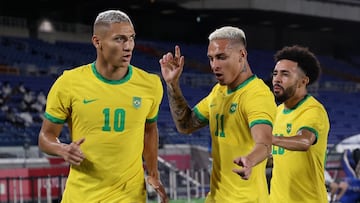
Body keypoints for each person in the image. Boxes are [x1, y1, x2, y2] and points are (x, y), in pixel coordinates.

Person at [38, 10, 168, 203]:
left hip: (129, 195)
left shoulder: (151, 85)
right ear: (97, 42)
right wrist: (62, 149)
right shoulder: (69, 83)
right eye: (119, 39)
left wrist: (154, 173)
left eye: (131, 38)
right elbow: (45, 136)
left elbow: (149, 130)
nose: (129, 46)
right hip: (82, 195)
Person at [159, 26, 277, 202]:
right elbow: (186, 125)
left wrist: (250, 160)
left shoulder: (256, 95)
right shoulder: (218, 92)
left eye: (222, 57)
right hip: (216, 198)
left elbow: (264, 142)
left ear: (242, 55)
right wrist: (172, 84)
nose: (215, 65)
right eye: (211, 58)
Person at [269, 45, 330, 202]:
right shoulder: (277, 112)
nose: (277, 78)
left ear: (303, 81)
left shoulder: (313, 110)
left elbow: (304, 141)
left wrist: (268, 138)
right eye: (275, 73)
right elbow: (278, 156)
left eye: (285, 74)